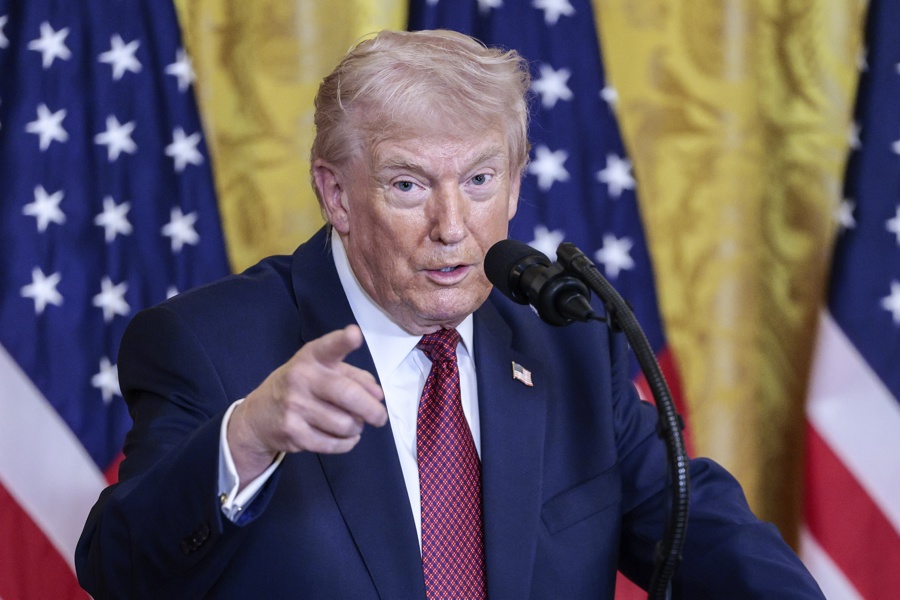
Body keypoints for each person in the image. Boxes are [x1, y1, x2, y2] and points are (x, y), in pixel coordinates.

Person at [76, 29, 824, 599]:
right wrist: (248, 436)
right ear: (336, 194)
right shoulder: (210, 345)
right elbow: (118, 571)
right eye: (408, 185)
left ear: (516, 181)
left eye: (478, 179)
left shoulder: (567, 342)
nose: (451, 226)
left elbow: (699, 531)